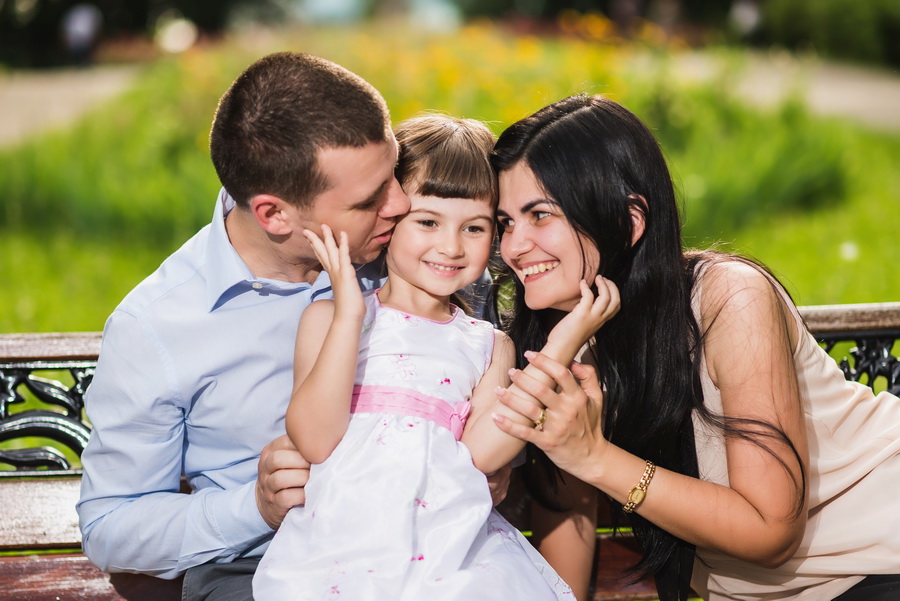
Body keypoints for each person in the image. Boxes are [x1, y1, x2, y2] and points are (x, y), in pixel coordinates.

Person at [488, 94, 900, 601]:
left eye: (540, 215)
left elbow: (770, 530)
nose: (513, 247)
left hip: (880, 557)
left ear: (629, 220)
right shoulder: (559, 333)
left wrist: (594, 455)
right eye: (506, 222)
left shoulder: (726, 298)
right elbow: (567, 503)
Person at [76, 51, 419, 601]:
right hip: (264, 570)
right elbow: (111, 527)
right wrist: (255, 506)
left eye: (393, 175)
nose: (400, 203)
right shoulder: (158, 326)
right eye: (368, 201)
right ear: (274, 214)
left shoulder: (411, 249)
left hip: (421, 547)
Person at [252, 114, 619, 600]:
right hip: (340, 559)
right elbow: (317, 441)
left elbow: (482, 455)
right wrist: (349, 314)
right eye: (427, 222)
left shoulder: (488, 345)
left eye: (475, 228)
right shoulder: (329, 321)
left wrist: (562, 342)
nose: (450, 246)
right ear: (388, 220)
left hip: (449, 560)